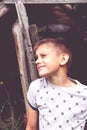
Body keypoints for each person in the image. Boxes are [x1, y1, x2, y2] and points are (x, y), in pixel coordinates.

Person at [26, 38, 87, 130]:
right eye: (37, 57)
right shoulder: (36, 87)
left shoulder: (84, 94)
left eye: (43, 55)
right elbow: (31, 127)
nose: (37, 61)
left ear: (63, 59)